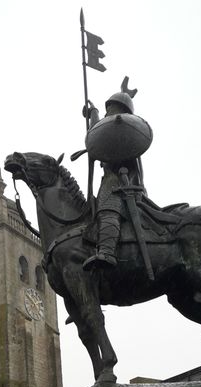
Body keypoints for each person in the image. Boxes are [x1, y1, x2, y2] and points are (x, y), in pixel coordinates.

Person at [82, 77, 147, 271]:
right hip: (110, 179)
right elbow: (98, 134)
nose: (107, 112)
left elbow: (103, 134)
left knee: (108, 208)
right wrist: (93, 112)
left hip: (120, 181)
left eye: (110, 108)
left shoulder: (123, 129)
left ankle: (107, 253)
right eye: (106, 108)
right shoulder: (112, 128)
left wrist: (124, 95)